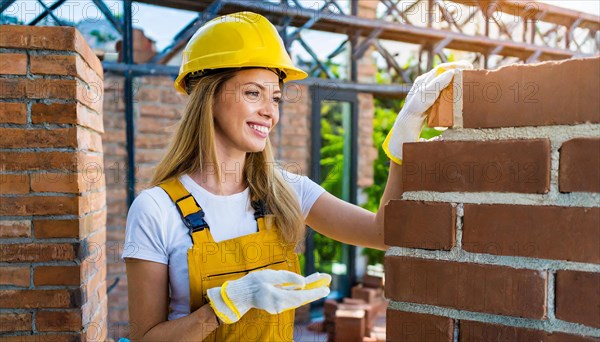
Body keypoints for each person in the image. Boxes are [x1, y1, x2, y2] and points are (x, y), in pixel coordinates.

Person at [122, 11, 471, 342]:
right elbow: (145, 337)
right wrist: (222, 308)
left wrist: (402, 139)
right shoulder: (157, 209)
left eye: (275, 97)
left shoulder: (284, 190)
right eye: (252, 93)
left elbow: (384, 233)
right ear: (208, 96)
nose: (269, 111)